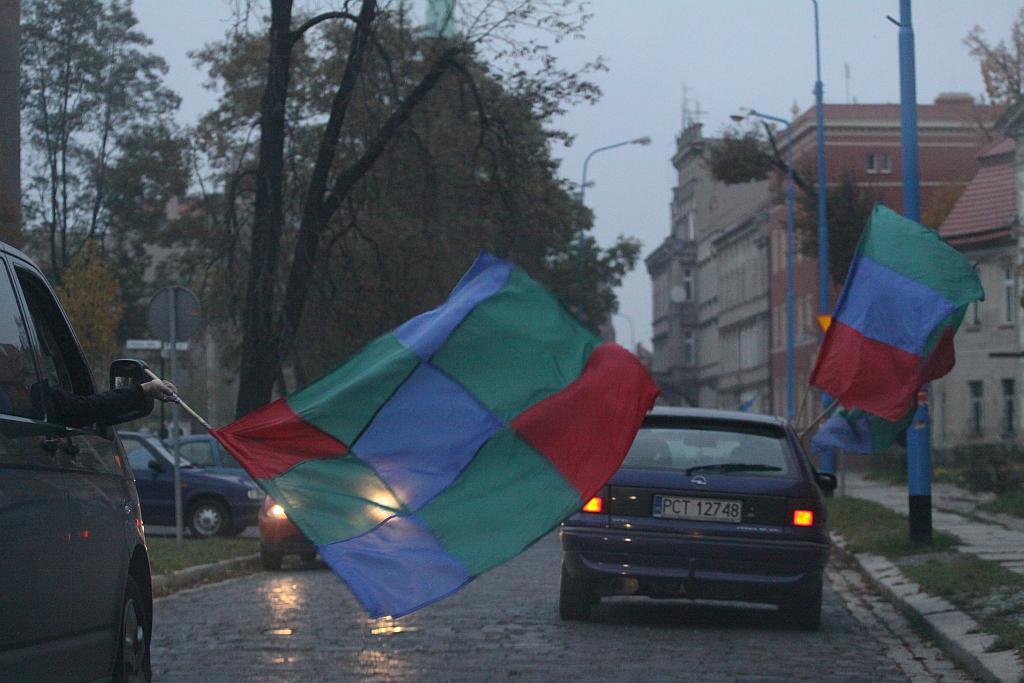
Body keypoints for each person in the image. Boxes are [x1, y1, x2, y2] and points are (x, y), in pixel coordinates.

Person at [50, 377, 178, 428]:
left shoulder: (39, 393)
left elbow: (81, 408)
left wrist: (144, 389)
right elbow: (81, 410)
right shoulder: (39, 394)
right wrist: (143, 389)